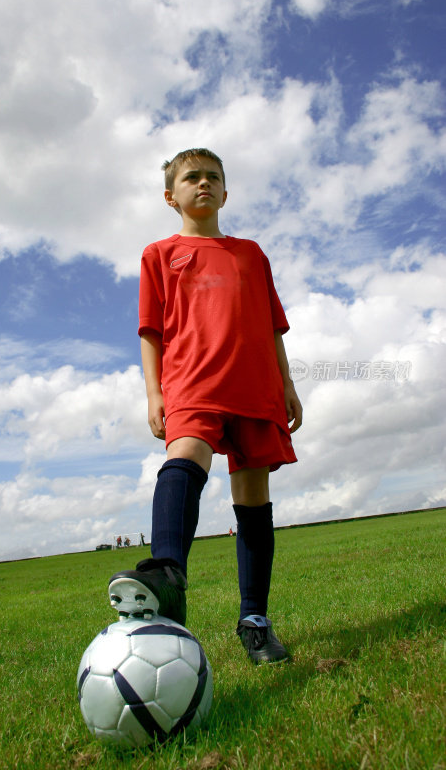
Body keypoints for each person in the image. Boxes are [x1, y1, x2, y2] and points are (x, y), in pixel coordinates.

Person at [108, 148, 302, 664]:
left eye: (213, 177)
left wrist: (287, 384)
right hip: (192, 381)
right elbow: (150, 331)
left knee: (253, 492)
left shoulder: (251, 253)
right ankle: (167, 575)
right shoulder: (159, 254)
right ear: (171, 196)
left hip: (256, 385)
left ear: (225, 191)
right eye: (192, 177)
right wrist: (154, 392)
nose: (204, 183)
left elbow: (272, 326)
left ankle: (254, 620)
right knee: (187, 454)